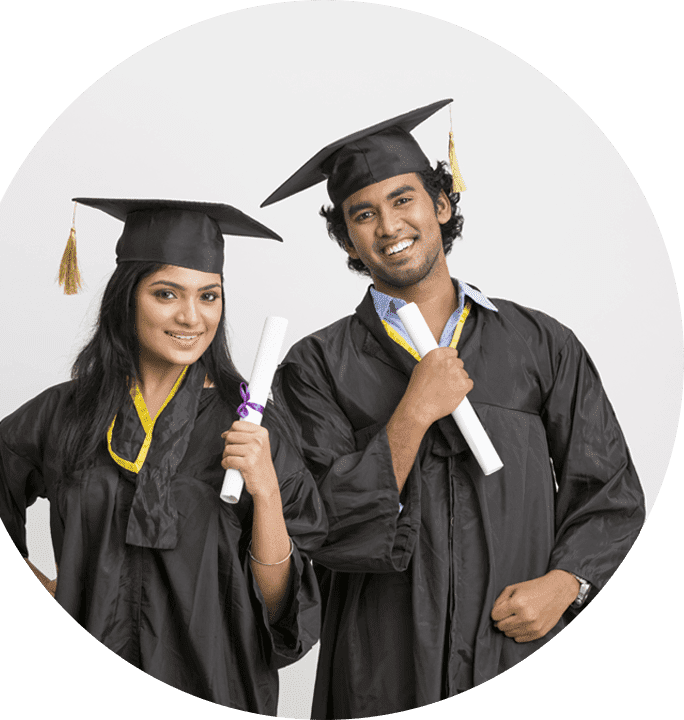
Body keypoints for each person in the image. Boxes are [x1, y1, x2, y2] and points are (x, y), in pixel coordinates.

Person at [261, 100, 646, 718]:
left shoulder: (538, 342)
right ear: (347, 238)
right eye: (364, 214)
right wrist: (412, 413)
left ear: (440, 204)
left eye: (403, 200)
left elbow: (610, 493)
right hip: (383, 663)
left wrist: (566, 584)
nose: (388, 226)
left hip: (517, 649)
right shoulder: (316, 366)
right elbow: (320, 524)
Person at [0, 198, 327, 715]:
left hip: (217, 687)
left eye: (209, 296)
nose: (191, 316)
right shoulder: (63, 414)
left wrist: (267, 490)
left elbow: (281, 611)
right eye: (167, 294)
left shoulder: (252, 424)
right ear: (127, 299)